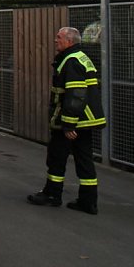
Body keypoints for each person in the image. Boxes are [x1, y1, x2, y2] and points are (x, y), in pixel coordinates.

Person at [27, 26, 107, 214]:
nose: (56, 40)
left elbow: (76, 94)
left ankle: (52, 194)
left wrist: (68, 124)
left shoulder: (70, 61)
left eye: (59, 37)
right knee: (84, 160)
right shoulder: (81, 58)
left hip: (73, 120)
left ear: (69, 41)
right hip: (85, 120)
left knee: (56, 156)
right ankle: (88, 201)